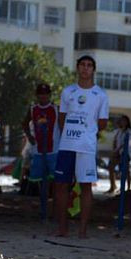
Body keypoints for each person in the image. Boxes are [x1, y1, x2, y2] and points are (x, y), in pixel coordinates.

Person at [53, 55, 109, 238]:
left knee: (86, 186)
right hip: (67, 144)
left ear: (93, 70)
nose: (86, 68)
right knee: (61, 185)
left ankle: (82, 230)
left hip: (86, 147)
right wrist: (71, 132)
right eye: (82, 65)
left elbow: (102, 123)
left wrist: (86, 132)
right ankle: (62, 228)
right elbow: (61, 118)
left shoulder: (100, 95)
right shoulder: (68, 91)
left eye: (89, 65)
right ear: (77, 68)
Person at [22, 83, 60, 214]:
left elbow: (63, 125)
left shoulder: (56, 108)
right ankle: (37, 209)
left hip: (54, 150)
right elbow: (24, 123)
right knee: (36, 180)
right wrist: (29, 137)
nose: (43, 96)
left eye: (45, 94)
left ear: (49, 95)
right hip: (37, 150)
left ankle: (54, 210)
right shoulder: (33, 109)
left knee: (55, 181)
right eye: (40, 94)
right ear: (37, 95)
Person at [107, 115, 131, 194]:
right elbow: (115, 141)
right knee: (111, 167)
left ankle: (128, 188)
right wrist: (114, 150)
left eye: (124, 120)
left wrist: (117, 150)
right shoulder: (118, 131)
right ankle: (113, 186)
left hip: (125, 153)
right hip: (117, 153)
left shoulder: (128, 131)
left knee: (126, 171)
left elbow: (126, 143)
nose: (122, 122)